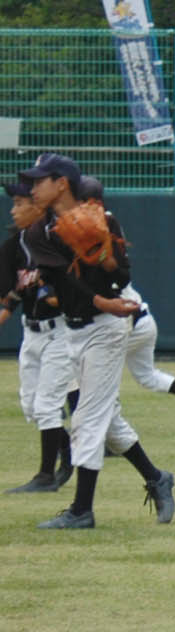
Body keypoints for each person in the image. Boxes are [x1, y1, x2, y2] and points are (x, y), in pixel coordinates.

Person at [19, 153, 175, 530]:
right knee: (107, 421)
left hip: (105, 328)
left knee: (88, 417)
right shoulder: (38, 232)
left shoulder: (104, 220)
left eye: (41, 180)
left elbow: (122, 274)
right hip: (70, 331)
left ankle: (82, 509)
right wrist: (94, 294)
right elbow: (65, 283)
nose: (33, 187)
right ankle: (156, 477)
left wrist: (105, 260)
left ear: (62, 185)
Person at [73, 176, 175, 432]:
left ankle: (109, 434)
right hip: (140, 317)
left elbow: (111, 272)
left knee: (97, 372)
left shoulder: (101, 223)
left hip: (126, 319)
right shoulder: (100, 221)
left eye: (80, 199)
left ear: (92, 201)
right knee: (147, 376)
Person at [2, 177, 75, 494]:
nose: (13, 210)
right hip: (31, 333)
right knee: (31, 406)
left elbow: (75, 285)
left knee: (46, 405)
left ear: (37, 207)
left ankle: (46, 476)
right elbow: (11, 294)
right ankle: (69, 451)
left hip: (60, 330)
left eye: (20, 203)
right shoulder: (14, 246)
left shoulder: (56, 238)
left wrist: (58, 295)